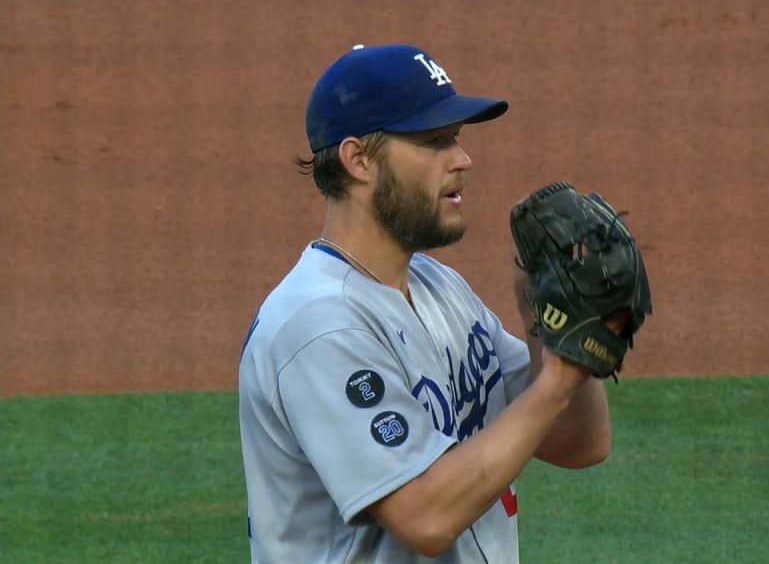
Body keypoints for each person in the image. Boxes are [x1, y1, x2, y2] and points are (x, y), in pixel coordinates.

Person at [237, 43, 614, 563]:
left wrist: (544, 321)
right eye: (433, 141)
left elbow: (578, 443)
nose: (462, 160)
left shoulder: (439, 287)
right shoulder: (317, 327)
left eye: (455, 138)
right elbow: (424, 516)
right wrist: (557, 381)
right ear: (358, 160)